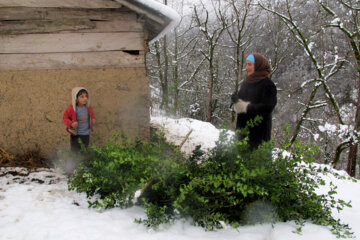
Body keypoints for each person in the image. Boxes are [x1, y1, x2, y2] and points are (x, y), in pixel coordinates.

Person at [231, 53, 277, 149]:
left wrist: (246, 107)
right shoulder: (246, 82)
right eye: (246, 64)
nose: (246, 68)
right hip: (242, 132)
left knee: (255, 162)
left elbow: (267, 107)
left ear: (258, 65)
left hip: (258, 135)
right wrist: (235, 101)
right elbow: (240, 102)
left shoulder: (268, 85)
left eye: (249, 64)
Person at [63, 87, 96, 153]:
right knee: (75, 151)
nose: (85, 98)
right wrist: (71, 123)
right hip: (76, 134)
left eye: (86, 96)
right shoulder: (71, 109)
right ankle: (74, 162)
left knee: (84, 150)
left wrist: (93, 119)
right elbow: (65, 118)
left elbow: (92, 115)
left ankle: (83, 162)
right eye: (82, 96)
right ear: (76, 98)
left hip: (86, 134)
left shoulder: (88, 108)